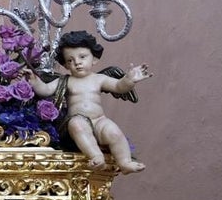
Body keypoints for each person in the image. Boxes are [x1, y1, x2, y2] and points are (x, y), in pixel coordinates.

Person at [27, 31, 152, 173]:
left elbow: (119, 87)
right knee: (77, 125)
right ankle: (96, 156)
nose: (77, 63)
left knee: (114, 131)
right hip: (77, 120)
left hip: (99, 120)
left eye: (82, 57)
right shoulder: (65, 80)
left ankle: (125, 162)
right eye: (70, 60)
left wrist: (129, 80)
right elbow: (45, 90)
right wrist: (34, 80)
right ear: (66, 65)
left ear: (94, 58)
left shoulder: (99, 79)